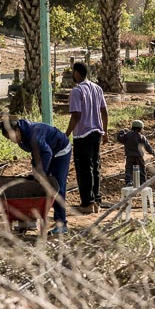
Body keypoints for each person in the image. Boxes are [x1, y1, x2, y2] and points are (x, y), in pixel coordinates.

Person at [1, 118, 72, 234]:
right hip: (47, 151)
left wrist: (42, 173)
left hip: (60, 150)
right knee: (38, 183)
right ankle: (30, 219)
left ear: (17, 130)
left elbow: (46, 153)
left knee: (57, 185)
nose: (12, 140)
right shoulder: (23, 138)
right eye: (9, 138)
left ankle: (61, 224)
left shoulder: (35, 134)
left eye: (12, 136)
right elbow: (36, 154)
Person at [65, 62, 108, 214]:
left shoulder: (77, 91)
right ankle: (97, 200)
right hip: (96, 133)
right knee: (95, 167)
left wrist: (66, 134)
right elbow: (104, 111)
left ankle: (87, 203)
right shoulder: (97, 88)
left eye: (73, 72)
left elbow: (76, 115)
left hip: (82, 135)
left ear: (77, 73)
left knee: (83, 169)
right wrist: (105, 132)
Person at [116, 120, 155, 186]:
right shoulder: (141, 137)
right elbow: (147, 146)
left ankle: (129, 182)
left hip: (130, 156)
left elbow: (119, 138)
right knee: (142, 169)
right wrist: (152, 151)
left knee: (129, 169)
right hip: (139, 156)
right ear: (140, 129)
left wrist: (122, 131)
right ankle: (143, 182)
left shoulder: (127, 135)